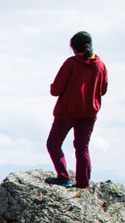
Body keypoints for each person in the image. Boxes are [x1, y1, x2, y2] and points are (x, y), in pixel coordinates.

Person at [45, 31, 108, 189]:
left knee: (53, 143)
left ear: (73, 48)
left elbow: (56, 90)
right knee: (82, 147)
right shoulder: (100, 65)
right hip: (89, 112)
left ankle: (64, 177)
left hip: (68, 111)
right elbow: (103, 90)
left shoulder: (71, 63)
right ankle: (83, 183)